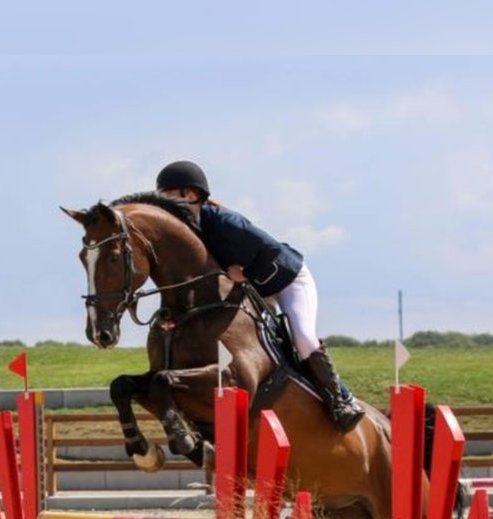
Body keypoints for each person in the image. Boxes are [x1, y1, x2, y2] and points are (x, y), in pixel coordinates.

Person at [154, 160, 364, 430]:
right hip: (253, 290)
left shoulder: (226, 222)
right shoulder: (191, 229)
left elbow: (272, 250)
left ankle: (342, 399)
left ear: (191, 195)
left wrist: (246, 274)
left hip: (288, 281)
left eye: (170, 197)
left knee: (302, 337)